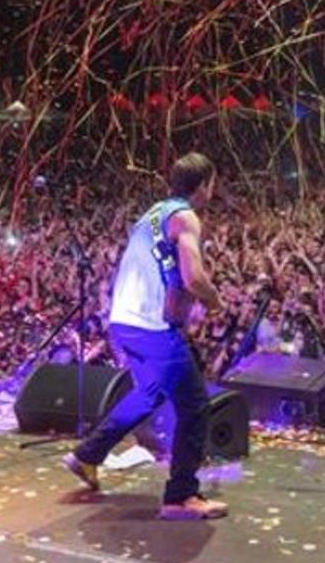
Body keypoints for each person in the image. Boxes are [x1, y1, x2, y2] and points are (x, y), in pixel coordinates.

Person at [63, 152, 228, 520]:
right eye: (212, 184)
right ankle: (180, 496)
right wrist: (215, 301)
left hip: (123, 321)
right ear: (202, 186)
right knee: (195, 405)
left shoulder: (153, 214)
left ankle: (87, 454)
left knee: (150, 393)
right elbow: (194, 278)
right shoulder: (186, 217)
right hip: (152, 325)